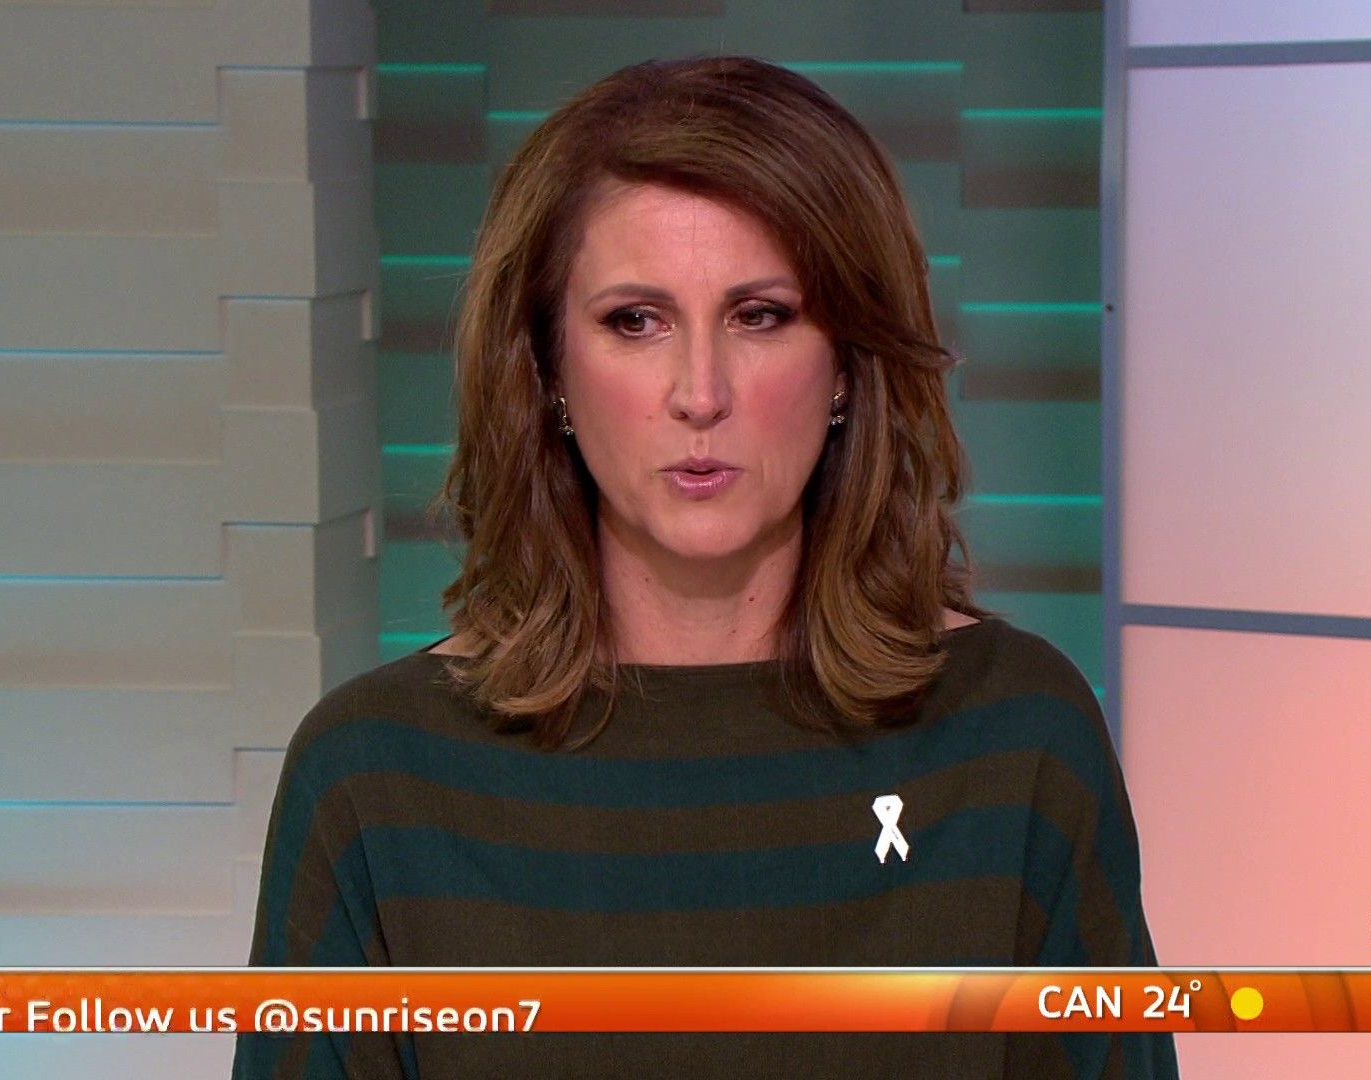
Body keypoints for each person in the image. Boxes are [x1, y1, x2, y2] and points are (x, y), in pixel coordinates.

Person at [234, 53, 1176, 1080]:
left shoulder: (1018, 736)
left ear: (846, 366)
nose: (700, 393)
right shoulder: (375, 777)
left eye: (759, 315)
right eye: (635, 321)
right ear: (548, 371)